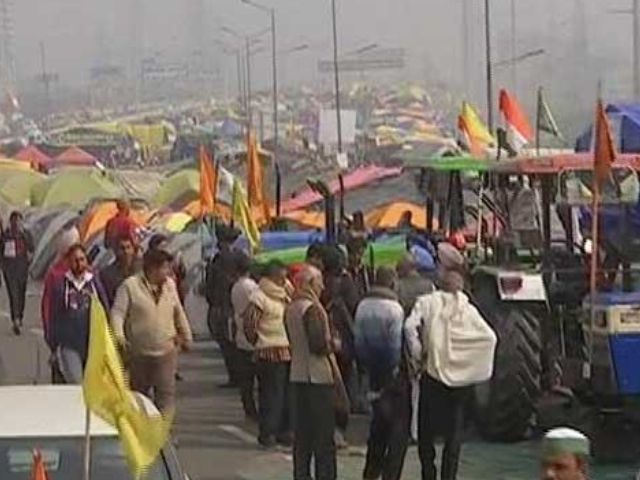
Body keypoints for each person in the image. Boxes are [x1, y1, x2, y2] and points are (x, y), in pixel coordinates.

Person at [405, 243, 496, 480]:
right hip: (460, 382)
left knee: (426, 432)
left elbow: (409, 328)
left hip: (432, 375)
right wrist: (471, 364)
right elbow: (489, 337)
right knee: (454, 435)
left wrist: (418, 356)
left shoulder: (426, 302)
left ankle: (429, 473)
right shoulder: (468, 309)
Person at [111, 249, 193, 412]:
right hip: (139, 353)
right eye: (165, 268)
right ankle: (141, 432)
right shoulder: (130, 286)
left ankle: (163, 434)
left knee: (166, 397)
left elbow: (178, 312)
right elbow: (117, 313)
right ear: (152, 269)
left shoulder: (170, 285)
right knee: (139, 398)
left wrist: (186, 336)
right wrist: (119, 338)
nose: (168, 272)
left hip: (166, 352)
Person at [354, 266, 410, 480]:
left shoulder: (363, 306)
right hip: (391, 377)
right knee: (397, 431)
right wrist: (396, 371)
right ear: (393, 283)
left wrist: (365, 369)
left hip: (372, 372)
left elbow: (358, 340)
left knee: (377, 428)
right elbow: (395, 346)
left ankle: (370, 474)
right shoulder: (394, 309)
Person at [286, 265, 338, 480]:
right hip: (317, 377)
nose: (323, 286)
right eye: (319, 282)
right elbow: (318, 345)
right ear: (310, 284)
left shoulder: (291, 307)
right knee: (323, 437)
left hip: (297, 374)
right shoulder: (313, 309)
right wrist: (334, 344)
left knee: (302, 438)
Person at [244, 259, 292, 448]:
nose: (284, 280)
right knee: (271, 395)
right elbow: (250, 324)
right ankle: (268, 432)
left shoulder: (285, 294)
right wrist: (258, 341)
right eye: (281, 277)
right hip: (268, 351)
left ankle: (285, 431)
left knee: (286, 394)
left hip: (287, 350)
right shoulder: (259, 296)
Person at [49, 244, 108, 384]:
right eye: (75, 260)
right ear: (69, 262)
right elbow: (54, 317)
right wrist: (53, 347)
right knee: (77, 385)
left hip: (93, 344)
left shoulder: (93, 283)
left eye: (82, 259)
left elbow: (105, 308)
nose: (79, 264)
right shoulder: (61, 285)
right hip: (70, 345)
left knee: (93, 386)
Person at [205, 224, 241, 387]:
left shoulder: (223, 259)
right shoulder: (231, 257)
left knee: (228, 344)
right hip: (227, 305)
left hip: (226, 306)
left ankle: (236, 376)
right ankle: (235, 376)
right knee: (229, 344)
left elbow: (210, 285)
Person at [230, 251, 259, 421]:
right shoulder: (251, 287)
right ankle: (253, 410)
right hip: (252, 335)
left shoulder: (236, 286)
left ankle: (249, 408)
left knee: (246, 380)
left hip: (241, 333)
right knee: (256, 377)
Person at [0, 211, 34, 335]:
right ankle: (15, 320)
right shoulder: (6, 235)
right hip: (9, 268)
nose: (16, 223)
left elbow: (31, 248)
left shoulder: (25, 234)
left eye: (19, 220)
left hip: (22, 266)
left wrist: (30, 260)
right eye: (14, 220)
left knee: (21, 293)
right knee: (13, 294)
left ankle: (20, 315)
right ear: (11, 221)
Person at [98, 234, 141, 308]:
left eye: (128, 247)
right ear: (116, 251)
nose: (126, 252)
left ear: (133, 249)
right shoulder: (107, 274)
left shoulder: (143, 267)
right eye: (122, 248)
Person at [148, 233, 187, 304]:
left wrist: (180, 264)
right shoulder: (150, 265)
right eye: (162, 246)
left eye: (166, 246)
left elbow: (182, 275)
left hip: (175, 298)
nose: (165, 249)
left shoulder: (171, 259)